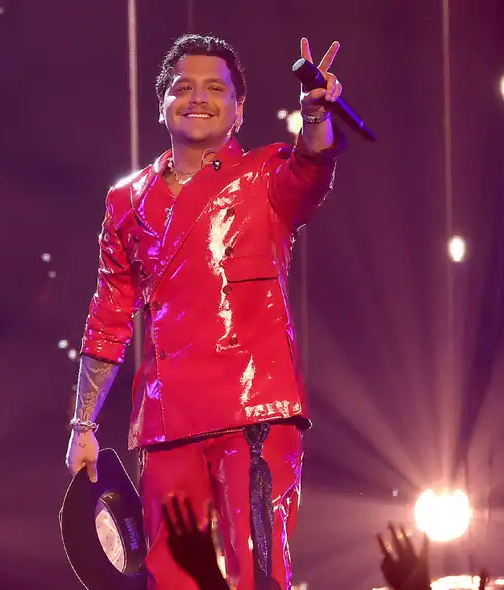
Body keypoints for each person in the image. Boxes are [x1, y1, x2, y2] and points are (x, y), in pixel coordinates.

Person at [66, 34, 346, 590]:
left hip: (255, 410)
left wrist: (315, 116)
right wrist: (83, 424)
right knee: (171, 576)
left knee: (258, 573)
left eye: (216, 88)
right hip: (167, 418)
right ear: (161, 103)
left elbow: (312, 164)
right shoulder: (125, 201)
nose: (198, 97)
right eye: (183, 87)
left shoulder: (269, 175)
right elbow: (109, 314)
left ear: (239, 109)